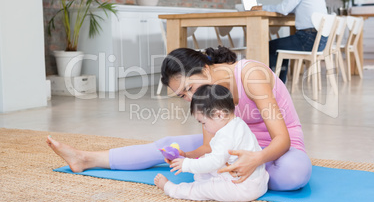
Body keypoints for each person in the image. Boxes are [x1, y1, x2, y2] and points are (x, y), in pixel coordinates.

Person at [47, 46, 312, 191]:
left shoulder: (251, 76)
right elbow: (210, 146)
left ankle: (247, 170)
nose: (188, 97)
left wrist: (255, 159)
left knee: (292, 174)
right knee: (171, 146)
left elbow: (283, 138)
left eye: (188, 88)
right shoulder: (207, 95)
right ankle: (86, 158)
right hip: (234, 146)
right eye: (181, 95)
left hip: (277, 147)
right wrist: (187, 155)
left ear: (206, 68)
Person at [154, 84, 269, 202]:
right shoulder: (237, 123)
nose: (204, 128)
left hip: (242, 187)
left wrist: (186, 165)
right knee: (206, 160)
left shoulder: (226, 135)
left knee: (203, 189)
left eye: (203, 123)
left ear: (219, 115)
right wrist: (189, 158)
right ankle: (205, 177)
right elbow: (218, 158)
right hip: (259, 181)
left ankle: (173, 189)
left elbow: (214, 162)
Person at [251, 0, 327, 83]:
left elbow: (284, 9)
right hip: (321, 39)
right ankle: (280, 83)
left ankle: (273, 85)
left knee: (271, 46)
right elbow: (290, 8)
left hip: (308, 39)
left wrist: (262, 7)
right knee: (282, 47)